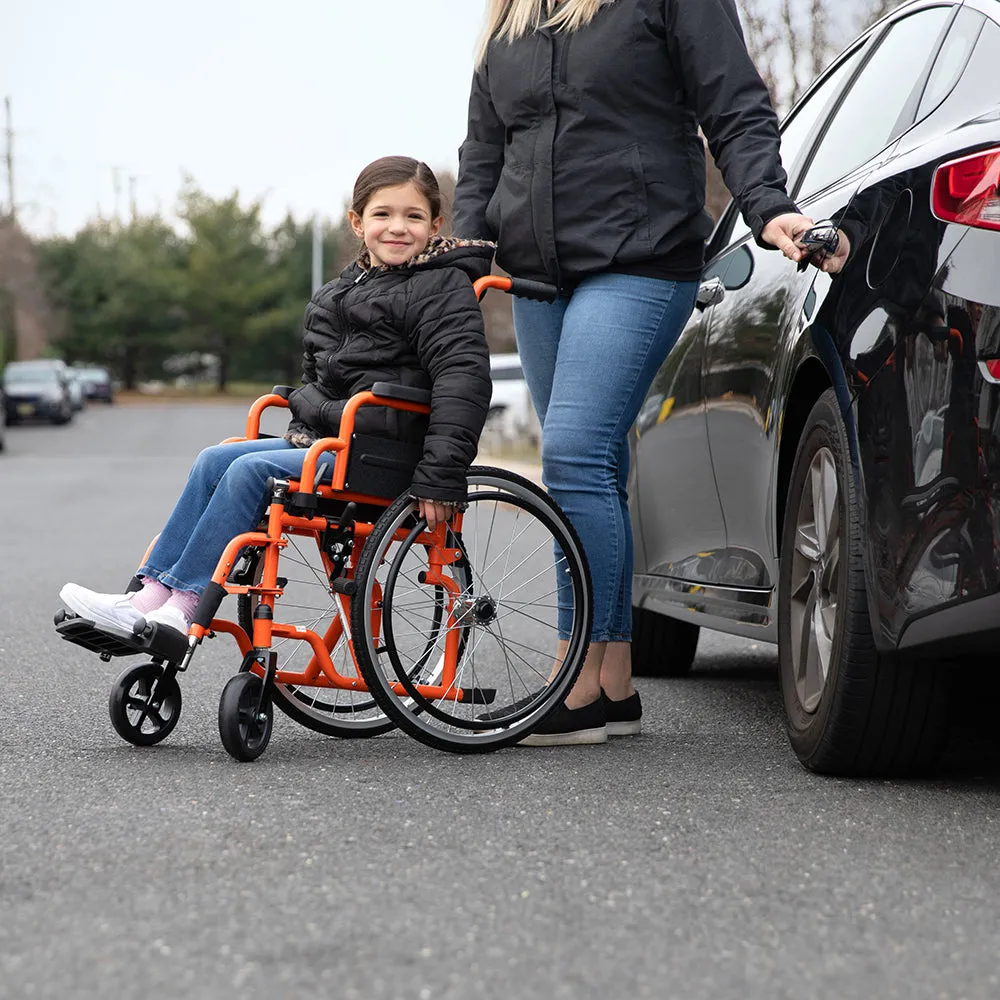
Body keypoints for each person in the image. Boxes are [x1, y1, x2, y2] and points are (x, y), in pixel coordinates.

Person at [454, 0, 849, 746]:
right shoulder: (506, 18)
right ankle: (612, 683)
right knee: (592, 465)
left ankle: (571, 682)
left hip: (639, 258)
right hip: (539, 278)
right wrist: (466, 255)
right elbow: (483, 154)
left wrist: (767, 204)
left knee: (572, 456)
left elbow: (733, 102)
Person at [60, 156, 495, 639]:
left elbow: (463, 380)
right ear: (357, 222)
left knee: (251, 471)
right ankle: (146, 597)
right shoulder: (336, 293)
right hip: (333, 443)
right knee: (214, 459)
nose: (397, 228)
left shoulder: (442, 287)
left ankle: (183, 606)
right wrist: (309, 414)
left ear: (435, 224)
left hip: (390, 453)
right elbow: (319, 375)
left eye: (413, 216)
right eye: (382, 214)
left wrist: (440, 475)